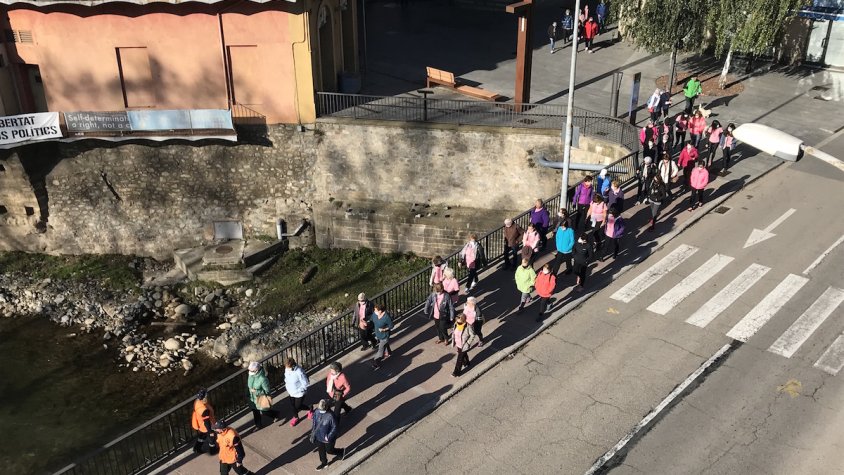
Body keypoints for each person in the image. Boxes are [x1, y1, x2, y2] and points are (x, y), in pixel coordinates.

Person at [310, 399, 345, 471]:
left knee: (329, 450)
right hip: (319, 435)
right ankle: (324, 463)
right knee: (321, 450)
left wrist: (328, 437)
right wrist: (313, 431)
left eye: (322, 410)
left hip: (327, 438)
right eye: (319, 409)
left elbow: (335, 427)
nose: (320, 411)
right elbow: (314, 422)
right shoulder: (317, 411)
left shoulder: (331, 415)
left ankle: (340, 451)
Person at [247, 361, 278, 430]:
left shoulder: (263, 379)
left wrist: (256, 391)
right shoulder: (251, 375)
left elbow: (267, 391)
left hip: (260, 397)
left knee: (264, 411)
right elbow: (249, 386)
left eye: (251, 370)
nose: (250, 372)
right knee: (255, 412)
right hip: (253, 398)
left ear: (257, 370)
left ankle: (275, 414)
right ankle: (258, 425)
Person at [284, 358, 312, 427]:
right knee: (292, 406)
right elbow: (286, 378)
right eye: (286, 367)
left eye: (288, 367)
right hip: (291, 392)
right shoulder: (287, 369)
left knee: (298, 406)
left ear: (293, 366)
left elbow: (305, 383)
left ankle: (310, 409)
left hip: (299, 393)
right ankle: (296, 417)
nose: (286, 368)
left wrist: (301, 390)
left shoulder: (299, 371)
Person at [191, 388, 217, 455]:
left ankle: (197, 448)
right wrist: (210, 431)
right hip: (206, 426)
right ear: (204, 397)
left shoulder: (197, 401)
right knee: (212, 438)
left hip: (200, 424)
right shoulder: (204, 410)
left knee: (202, 436)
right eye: (206, 395)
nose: (207, 395)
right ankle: (213, 450)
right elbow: (207, 422)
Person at [370, 302, 394, 370]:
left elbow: (391, 326)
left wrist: (384, 329)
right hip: (378, 335)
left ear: (380, 311)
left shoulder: (386, 317)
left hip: (384, 336)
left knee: (380, 351)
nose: (374, 312)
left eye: (376, 310)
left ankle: (376, 363)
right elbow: (371, 319)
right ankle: (389, 352)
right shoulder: (375, 314)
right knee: (384, 345)